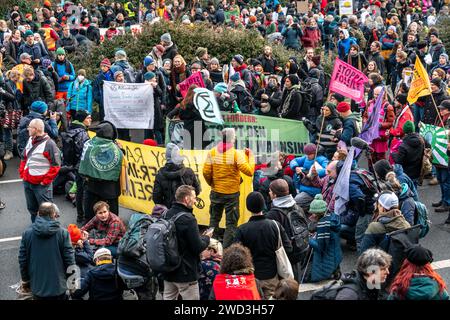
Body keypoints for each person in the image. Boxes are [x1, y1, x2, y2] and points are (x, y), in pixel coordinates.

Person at [235, 191, 292, 299]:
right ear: (263, 205)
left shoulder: (242, 230)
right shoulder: (275, 225)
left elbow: (236, 256)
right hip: (271, 277)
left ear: (248, 207)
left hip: (250, 278)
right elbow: (289, 249)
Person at [203, 128, 255, 248]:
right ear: (232, 138)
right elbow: (249, 171)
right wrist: (251, 156)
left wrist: (212, 183)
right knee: (231, 224)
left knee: (214, 220)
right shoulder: (236, 154)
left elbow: (205, 172)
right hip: (232, 194)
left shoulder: (212, 152)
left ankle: (212, 249)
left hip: (216, 192)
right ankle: (225, 252)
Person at [163, 185, 212, 300]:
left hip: (168, 269)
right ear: (186, 199)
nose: (195, 201)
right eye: (194, 197)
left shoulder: (166, 214)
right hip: (185, 272)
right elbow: (197, 247)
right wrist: (206, 238)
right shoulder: (188, 219)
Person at [18, 202, 75, 300]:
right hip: (59, 288)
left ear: (38, 214)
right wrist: (73, 283)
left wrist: (25, 280)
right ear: (54, 214)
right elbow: (70, 260)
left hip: (37, 287)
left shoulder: (27, 233)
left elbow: (22, 260)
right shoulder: (63, 233)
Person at [79, 121, 124, 222]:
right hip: (110, 189)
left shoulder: (88, 144)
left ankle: (89, 231)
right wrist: (122, 150)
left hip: (91, 186)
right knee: (111, 217)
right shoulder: (116, 149)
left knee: (90, 216)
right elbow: (121, 162)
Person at [19, 118, 61, 223]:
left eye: (30, 127)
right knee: (32, 209)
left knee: (47, 212)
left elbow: (56, 165)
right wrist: (23, 173)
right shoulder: (30, 139)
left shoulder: (50, 144)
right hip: (28, 182)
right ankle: (36, 228)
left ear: (36, 129)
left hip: (41, 185)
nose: (27, 128)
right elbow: (24, 156)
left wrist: (45, 181)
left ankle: (49, 232)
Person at [266, 179, 308, 281]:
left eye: (270, 191)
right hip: (299, 249)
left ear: (275, 195)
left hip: (284, 255)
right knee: (294, 282)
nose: (269, 193)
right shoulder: (297, 207)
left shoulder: (273, 214)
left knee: (284, 285)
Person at [63, 110, 91, 223]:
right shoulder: (82, 133)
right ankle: (84, 217)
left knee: (79, 191)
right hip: (82, 167)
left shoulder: (72, 128)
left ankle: (80, 215)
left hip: (74, 165)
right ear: (82, 119)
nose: (91, 120)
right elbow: (83, 151)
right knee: (84, 192)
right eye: (88, 118)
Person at [153, 142, 201, 209]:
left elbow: (156, 198)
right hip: (186, 210)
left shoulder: (160, 174)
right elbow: (197, 191)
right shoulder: (189, 172)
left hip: (168, 211)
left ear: (167, 157)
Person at [308, 194, 342, 283]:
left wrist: (308, 240)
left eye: (313, 213)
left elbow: (320, 247)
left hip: (327, 255)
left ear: (318, 213)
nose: (312, 215)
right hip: (335, 250)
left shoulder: (323, 225)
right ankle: (335, 271)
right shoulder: (332, 218)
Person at [289, 143, 329, 210]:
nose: (307, 156)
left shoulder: (323, 159)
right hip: (304, 187)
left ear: (314, 152)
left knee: (295, 202)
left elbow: (327, 170)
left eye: (309, 154)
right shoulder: (305, 158)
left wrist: (314, 172)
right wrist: (296, 167)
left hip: (314, 189)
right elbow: (294, 160)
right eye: (306, 154)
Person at [363, 86, 395, 163]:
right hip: (370, 136)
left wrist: (380, 125)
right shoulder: (370, 103)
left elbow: (391, 122)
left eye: (378, 94)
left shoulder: (388, 107)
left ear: (383, 94)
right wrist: (365, 124)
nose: (377, 96)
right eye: (375, 94)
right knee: (370, 157)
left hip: (380, 137)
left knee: (380, 158)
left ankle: (381, 174)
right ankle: (371, 173)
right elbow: (365, 116)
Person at [434, 100, 450, 220]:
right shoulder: (441, 119)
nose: (440, 110)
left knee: (445, 180)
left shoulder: (448, 121)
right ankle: (443, 198)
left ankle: (447, 202)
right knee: (440, 179)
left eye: (443, 109)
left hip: (445, 156)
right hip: (438, 154)